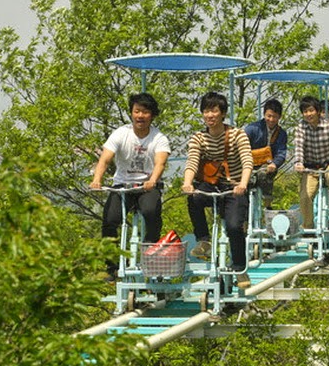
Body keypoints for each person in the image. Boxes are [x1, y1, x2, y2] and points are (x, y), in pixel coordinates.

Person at [90, 93, 171, 280]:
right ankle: (112, 266)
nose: (140, 116)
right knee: (110, 220)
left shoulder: (159, 138)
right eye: (136, 111)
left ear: (152, 115)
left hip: (147, 186)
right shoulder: (120, 134)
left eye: (144, 112)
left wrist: (152, 179)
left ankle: (149, 254)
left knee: (151, 211)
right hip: (122, 185)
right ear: (131, 113)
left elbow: (160, 163)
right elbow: (105, 158)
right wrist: (97, 179)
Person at [182, 92, 254, 289]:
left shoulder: (237, 135)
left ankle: (240, 268)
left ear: (223, 113)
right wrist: (187, 183)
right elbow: (192, 161)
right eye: (206, 111)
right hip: (212, 184)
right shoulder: (199, 138)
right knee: (194, 199)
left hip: (234, 186)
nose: (210, 115)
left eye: (214, 110)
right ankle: (203, 240)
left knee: (233, 227)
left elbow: (248, 161)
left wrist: (243, 184)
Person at [294, 95, 329, 229]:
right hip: (311, 167)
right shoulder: (301, 127)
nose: (308, 114)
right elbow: (299, 146)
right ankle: (308, 226)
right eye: (305, 112)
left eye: (311, 110)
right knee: (305, 196)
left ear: (317, 111)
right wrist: (299, 163)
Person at [244, 99, 288, 209]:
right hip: (248, 164)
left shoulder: (281, 134)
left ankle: (267, 206)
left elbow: (281, 153)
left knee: (265, 175)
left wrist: (274, 164)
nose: (271, 119)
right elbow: (241, 147)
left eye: (275, 117)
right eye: (269, 116)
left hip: (267, 166)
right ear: (264, 115)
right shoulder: (252, 128)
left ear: (279, 117)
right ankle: (244, 219)